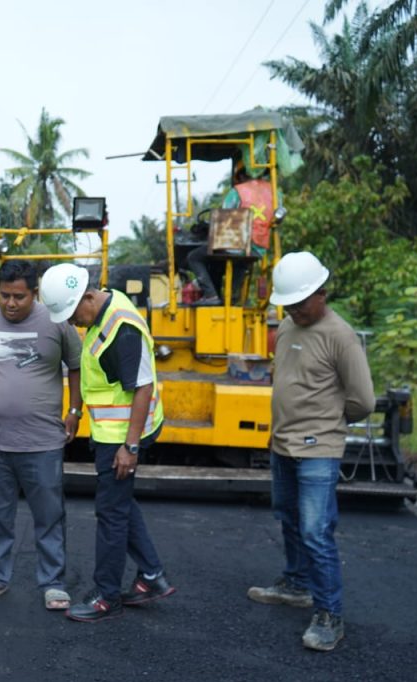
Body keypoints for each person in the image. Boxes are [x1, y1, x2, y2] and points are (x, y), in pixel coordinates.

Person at [247, 251, 375, 652]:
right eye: (288, 305)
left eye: (300, 304)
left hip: (319, 447)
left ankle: (329, 614)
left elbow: (363, 401)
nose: (294, 311)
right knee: (287, 515)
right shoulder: (287, 327)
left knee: (316, 532)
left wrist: (327, 424)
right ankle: (297, 583)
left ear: (321, 293)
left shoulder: (340, 336)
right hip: (283, 442)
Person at [39, 263, 176, 623]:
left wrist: (129, 447)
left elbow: (143, 386)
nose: (71, 322)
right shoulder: (102, 311)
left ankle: (106, 596)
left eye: (71, 314)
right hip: (110, 433)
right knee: (119, 504)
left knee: (111, 514)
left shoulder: (121, 329)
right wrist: (77, 411)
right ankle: (151, 575)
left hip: (122, 437)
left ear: (88, 296)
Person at [0, 260, 81, 611]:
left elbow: (76, 365)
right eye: (5, 296)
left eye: (19, 297)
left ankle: (53, 582)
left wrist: (75, 410)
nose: (10, 304)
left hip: (42, 441)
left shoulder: (57, 320)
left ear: (35, 294)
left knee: (49, 513)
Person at [188, 162, 280, 305]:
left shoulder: (238, 191)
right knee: (237, 264)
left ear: (242, 175)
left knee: (194, 257)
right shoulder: (274, 193)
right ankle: (232, 300)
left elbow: (225, 218)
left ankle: (211, 296)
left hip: (236, 246)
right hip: (258, 250)